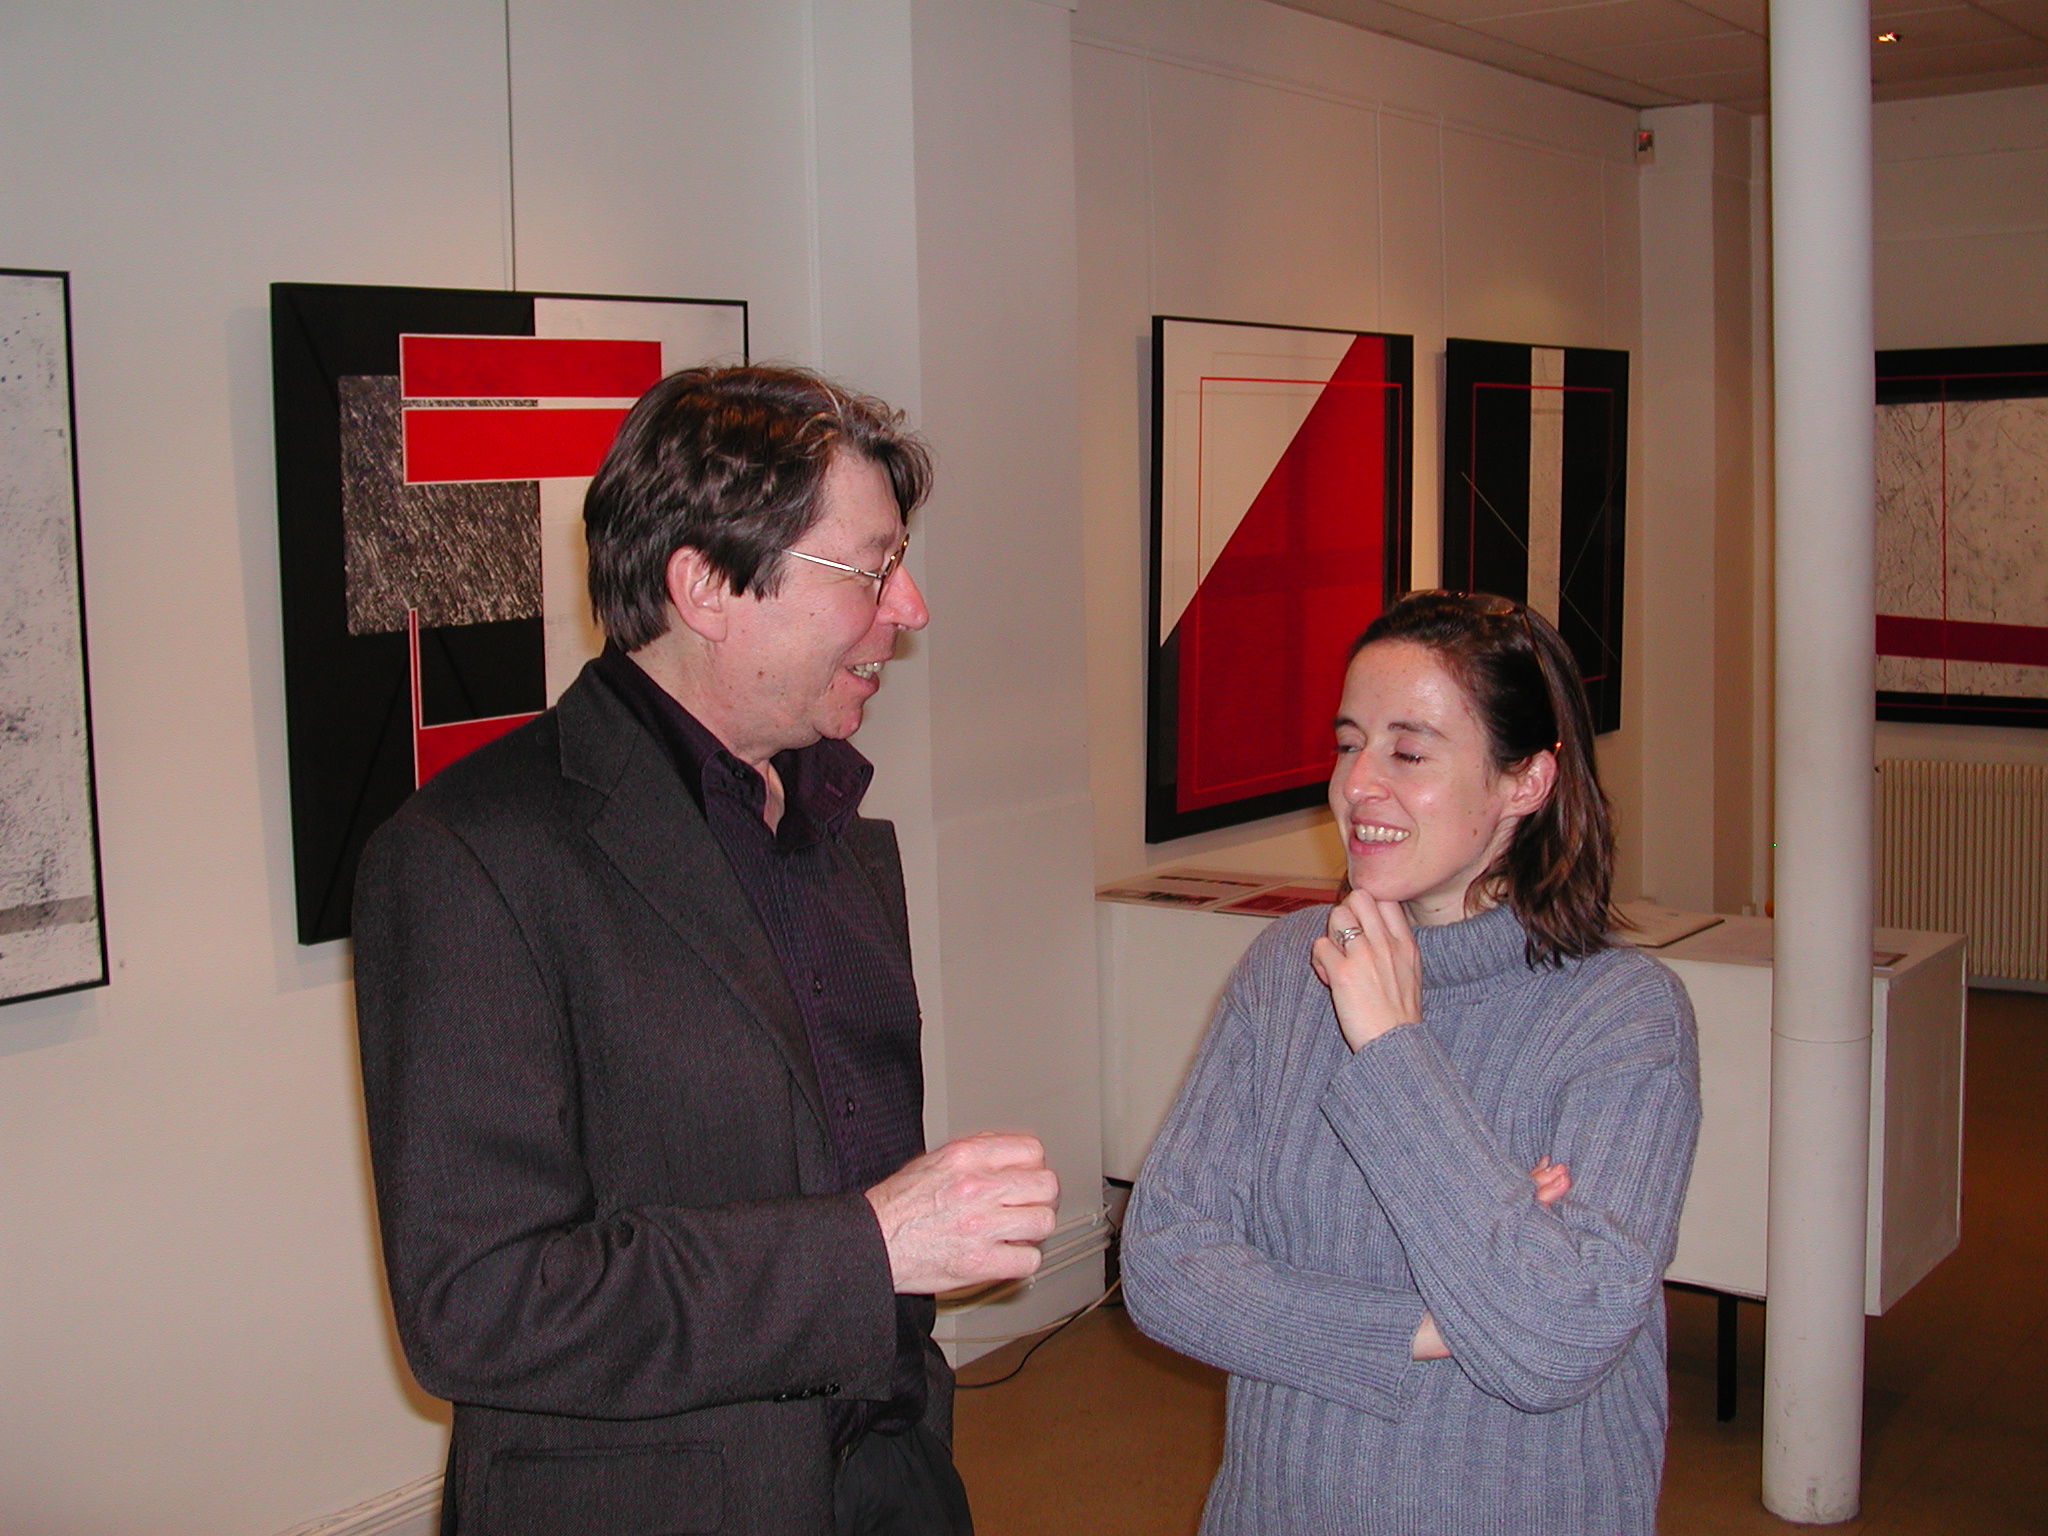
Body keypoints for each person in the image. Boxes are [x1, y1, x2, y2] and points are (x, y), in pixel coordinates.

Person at [353, 365, 1059, 1536]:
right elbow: (477, 1305)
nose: (910, 606)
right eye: (870, 569)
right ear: (706, 586)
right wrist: (872, 1246)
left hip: (885, 1471)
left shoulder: (834, 831)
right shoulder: (470, 857)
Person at [1122, 590, 1701, 1536]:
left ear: (1526, 780)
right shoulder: (1290, 968)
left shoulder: (1622, 1017)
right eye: (1349, 743)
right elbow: (1161, 1264)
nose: (1358, 785)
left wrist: (1394, 1050)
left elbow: (1556, 1342)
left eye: (1410, 752)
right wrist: (1427, 1325)